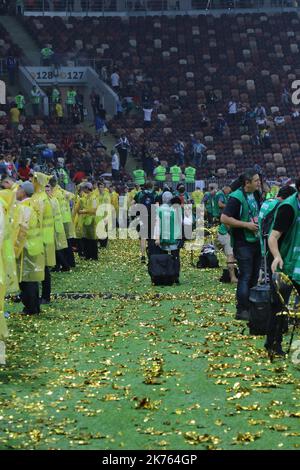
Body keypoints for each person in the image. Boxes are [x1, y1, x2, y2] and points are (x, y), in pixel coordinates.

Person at [221, 169, 262, 321]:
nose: (259, 183)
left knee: (254, 276)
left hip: (256, 240)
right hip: (242, 242)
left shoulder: (256, 194)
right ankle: (242, 309)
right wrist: (246, 225)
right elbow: (224, 218)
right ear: (247, 183)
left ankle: (252, 307)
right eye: (256, 181)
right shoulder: (236, 197)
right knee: (245, 276)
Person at [267, 179, 300, 355]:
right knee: (279, 307)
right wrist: (277, 256)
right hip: (286, 262)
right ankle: (273, 344)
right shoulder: (288, 208)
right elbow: (273, 237)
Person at [15, 181, 45, 315]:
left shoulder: (23, 207)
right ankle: (35, 307)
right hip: (36, 245)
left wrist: (15, 248)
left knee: (26, 281)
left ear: (23, 191)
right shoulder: (35, 204)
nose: (16, 192)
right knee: (32, 280)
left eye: (18, 189)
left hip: (26, 247)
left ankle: (31, 308)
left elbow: (21, 230)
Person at [31, 172, 56, 305]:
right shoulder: (40, 196)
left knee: (44, 269)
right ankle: (40, 295)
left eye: (34, 180)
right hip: (43, 237)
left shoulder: (41, 198)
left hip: (42, 238)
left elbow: (36, 219)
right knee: (41, 268)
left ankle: (45, 296)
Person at [153, 191, 182, 284]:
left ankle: (165, 274)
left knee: (164, 257)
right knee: (176, 257)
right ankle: (176, 275)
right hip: (175, 238)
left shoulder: (159, 209)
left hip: (163, 238)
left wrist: (157, 237)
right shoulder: (177, 209)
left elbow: (157, 225)